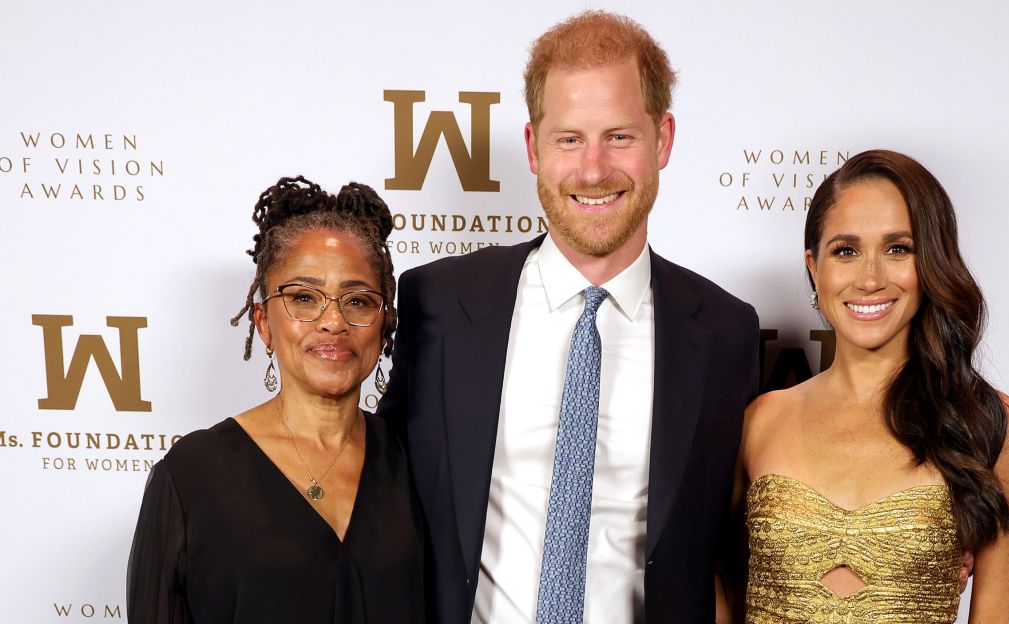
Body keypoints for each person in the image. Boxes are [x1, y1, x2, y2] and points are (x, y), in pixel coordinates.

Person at [376, 10, 760, 623]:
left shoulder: (725, 334)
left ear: (662, 139)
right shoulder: (439, 306)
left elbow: (729, 551)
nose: (593, 169)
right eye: (569, 139)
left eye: (620, 136)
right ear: (533, 147)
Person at [736, 150, 1009, 622]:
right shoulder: (759, 420)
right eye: (846, 250)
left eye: (898, 248)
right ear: (815, 267)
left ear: (932, 262)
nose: (871, 278)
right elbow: (713, 582)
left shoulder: (997, 427)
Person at [127, 176, 423, 622]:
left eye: (358, 301)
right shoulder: (192, 476)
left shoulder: (418, 464)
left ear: (385, 327)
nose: (333, 322)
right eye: (304, 298)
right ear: (264, 323)